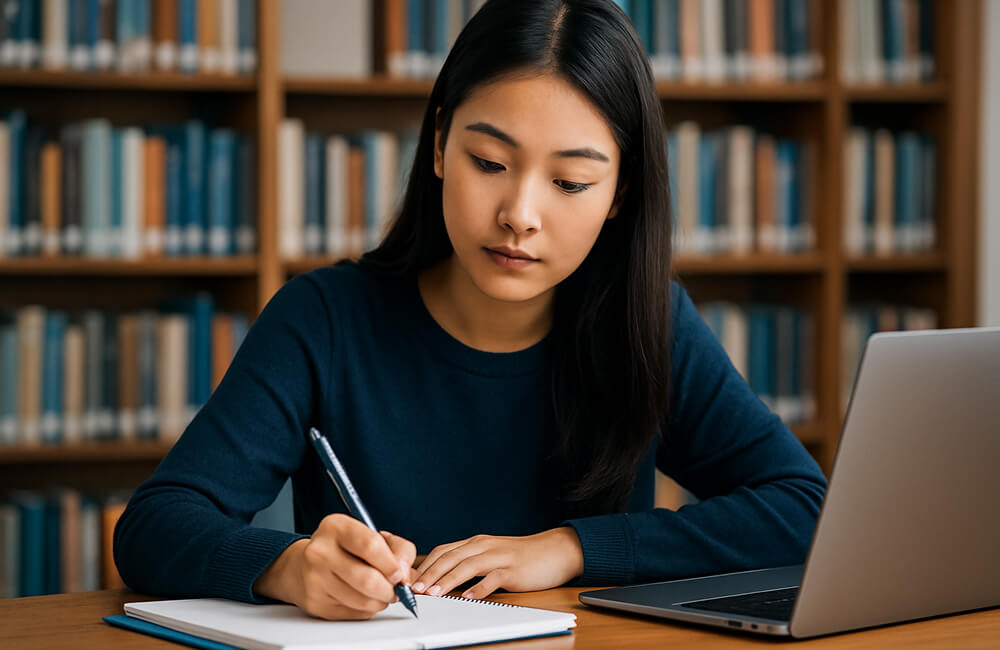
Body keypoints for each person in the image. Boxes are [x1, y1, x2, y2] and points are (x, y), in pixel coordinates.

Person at [114, 0, 826, 622]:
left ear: (619, 196)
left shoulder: (646, 324)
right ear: (438, 146)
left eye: (570, 181)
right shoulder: (324, 319)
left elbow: (805, 507)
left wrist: (572, 548)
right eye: (489, 162)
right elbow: (153, 527)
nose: (519, 215)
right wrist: (288, 566)